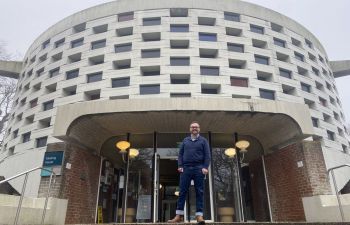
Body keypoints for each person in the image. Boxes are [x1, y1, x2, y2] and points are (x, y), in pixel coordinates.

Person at [168, 121, 211, 224]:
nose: (194, 128)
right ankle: (179, 215)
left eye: (196, 127)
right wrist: (180, 165)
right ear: (190, 129)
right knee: (182, 191)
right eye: (192, 127)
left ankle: (199, 216)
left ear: (199, 129)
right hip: (186, 168)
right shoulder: (185, 140)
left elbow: (207, 155)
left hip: (199, 168)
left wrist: (205, 167)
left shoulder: (204, 141)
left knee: (199, 192)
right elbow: (180, 154)